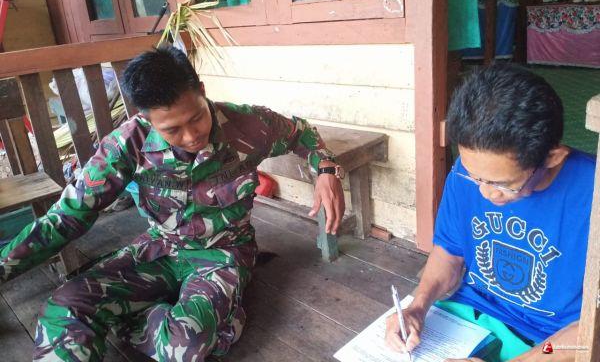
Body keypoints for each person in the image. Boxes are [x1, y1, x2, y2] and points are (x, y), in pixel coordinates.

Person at [0, 45, 345, 361]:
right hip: (160, 250)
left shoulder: (249, 124)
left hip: (222, 254)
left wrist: (326, 170)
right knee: (65, 307)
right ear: (147, 119)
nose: (192, 136)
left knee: (184, 346)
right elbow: (66, 217)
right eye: (172, 129)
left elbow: (301, 132)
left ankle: (148, 318)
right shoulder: (127, 144)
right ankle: (203, 322)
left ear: (202, 92)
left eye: (196, 117)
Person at [385, 64, 595, 362]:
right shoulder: (468, 170)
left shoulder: (592, 193)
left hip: (549, 344)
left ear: (552, 157)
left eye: (502, 184)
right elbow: (450, 252)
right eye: (476, 178)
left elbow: (591, 330)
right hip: (468, 320)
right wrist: (418, 307)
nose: (485, 193)